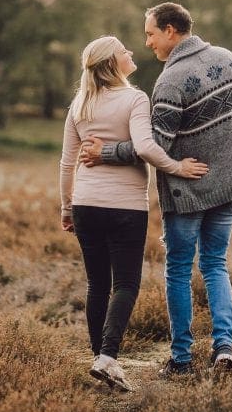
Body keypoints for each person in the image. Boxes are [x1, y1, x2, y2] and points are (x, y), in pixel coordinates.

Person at [80, 2, 232, 377]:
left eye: (150, 34)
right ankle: (224, 348)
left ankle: (181, 360)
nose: (147, 43)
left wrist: (106, 151)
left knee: (178, 269)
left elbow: (154, 145)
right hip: (230, 185)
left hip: (187, 192)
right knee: (215, 264)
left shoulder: (170, 81)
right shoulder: (230, 59)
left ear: (171, 31)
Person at [59, 35, 209, 392]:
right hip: (125, 206)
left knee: (97, 284)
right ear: (114, 62)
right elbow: (145, 146)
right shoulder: (135, 98)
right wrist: (176, 166)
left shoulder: (79, 105)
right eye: (124, 50)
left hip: (85, 205)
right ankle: (108, 358)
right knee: (125, 284)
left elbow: (67, 163)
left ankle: (101, 359)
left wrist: (67, 207)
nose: (131, 52)